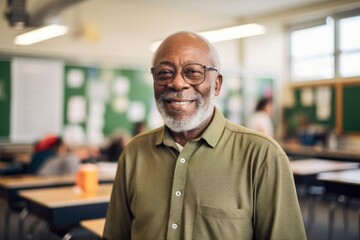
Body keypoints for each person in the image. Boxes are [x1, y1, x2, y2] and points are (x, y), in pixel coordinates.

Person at [103, 31, 306, 240]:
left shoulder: (263, 156)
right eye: (164, 73)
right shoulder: (134, 152)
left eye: (192, 72)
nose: (177, 83)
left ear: (216, 84)